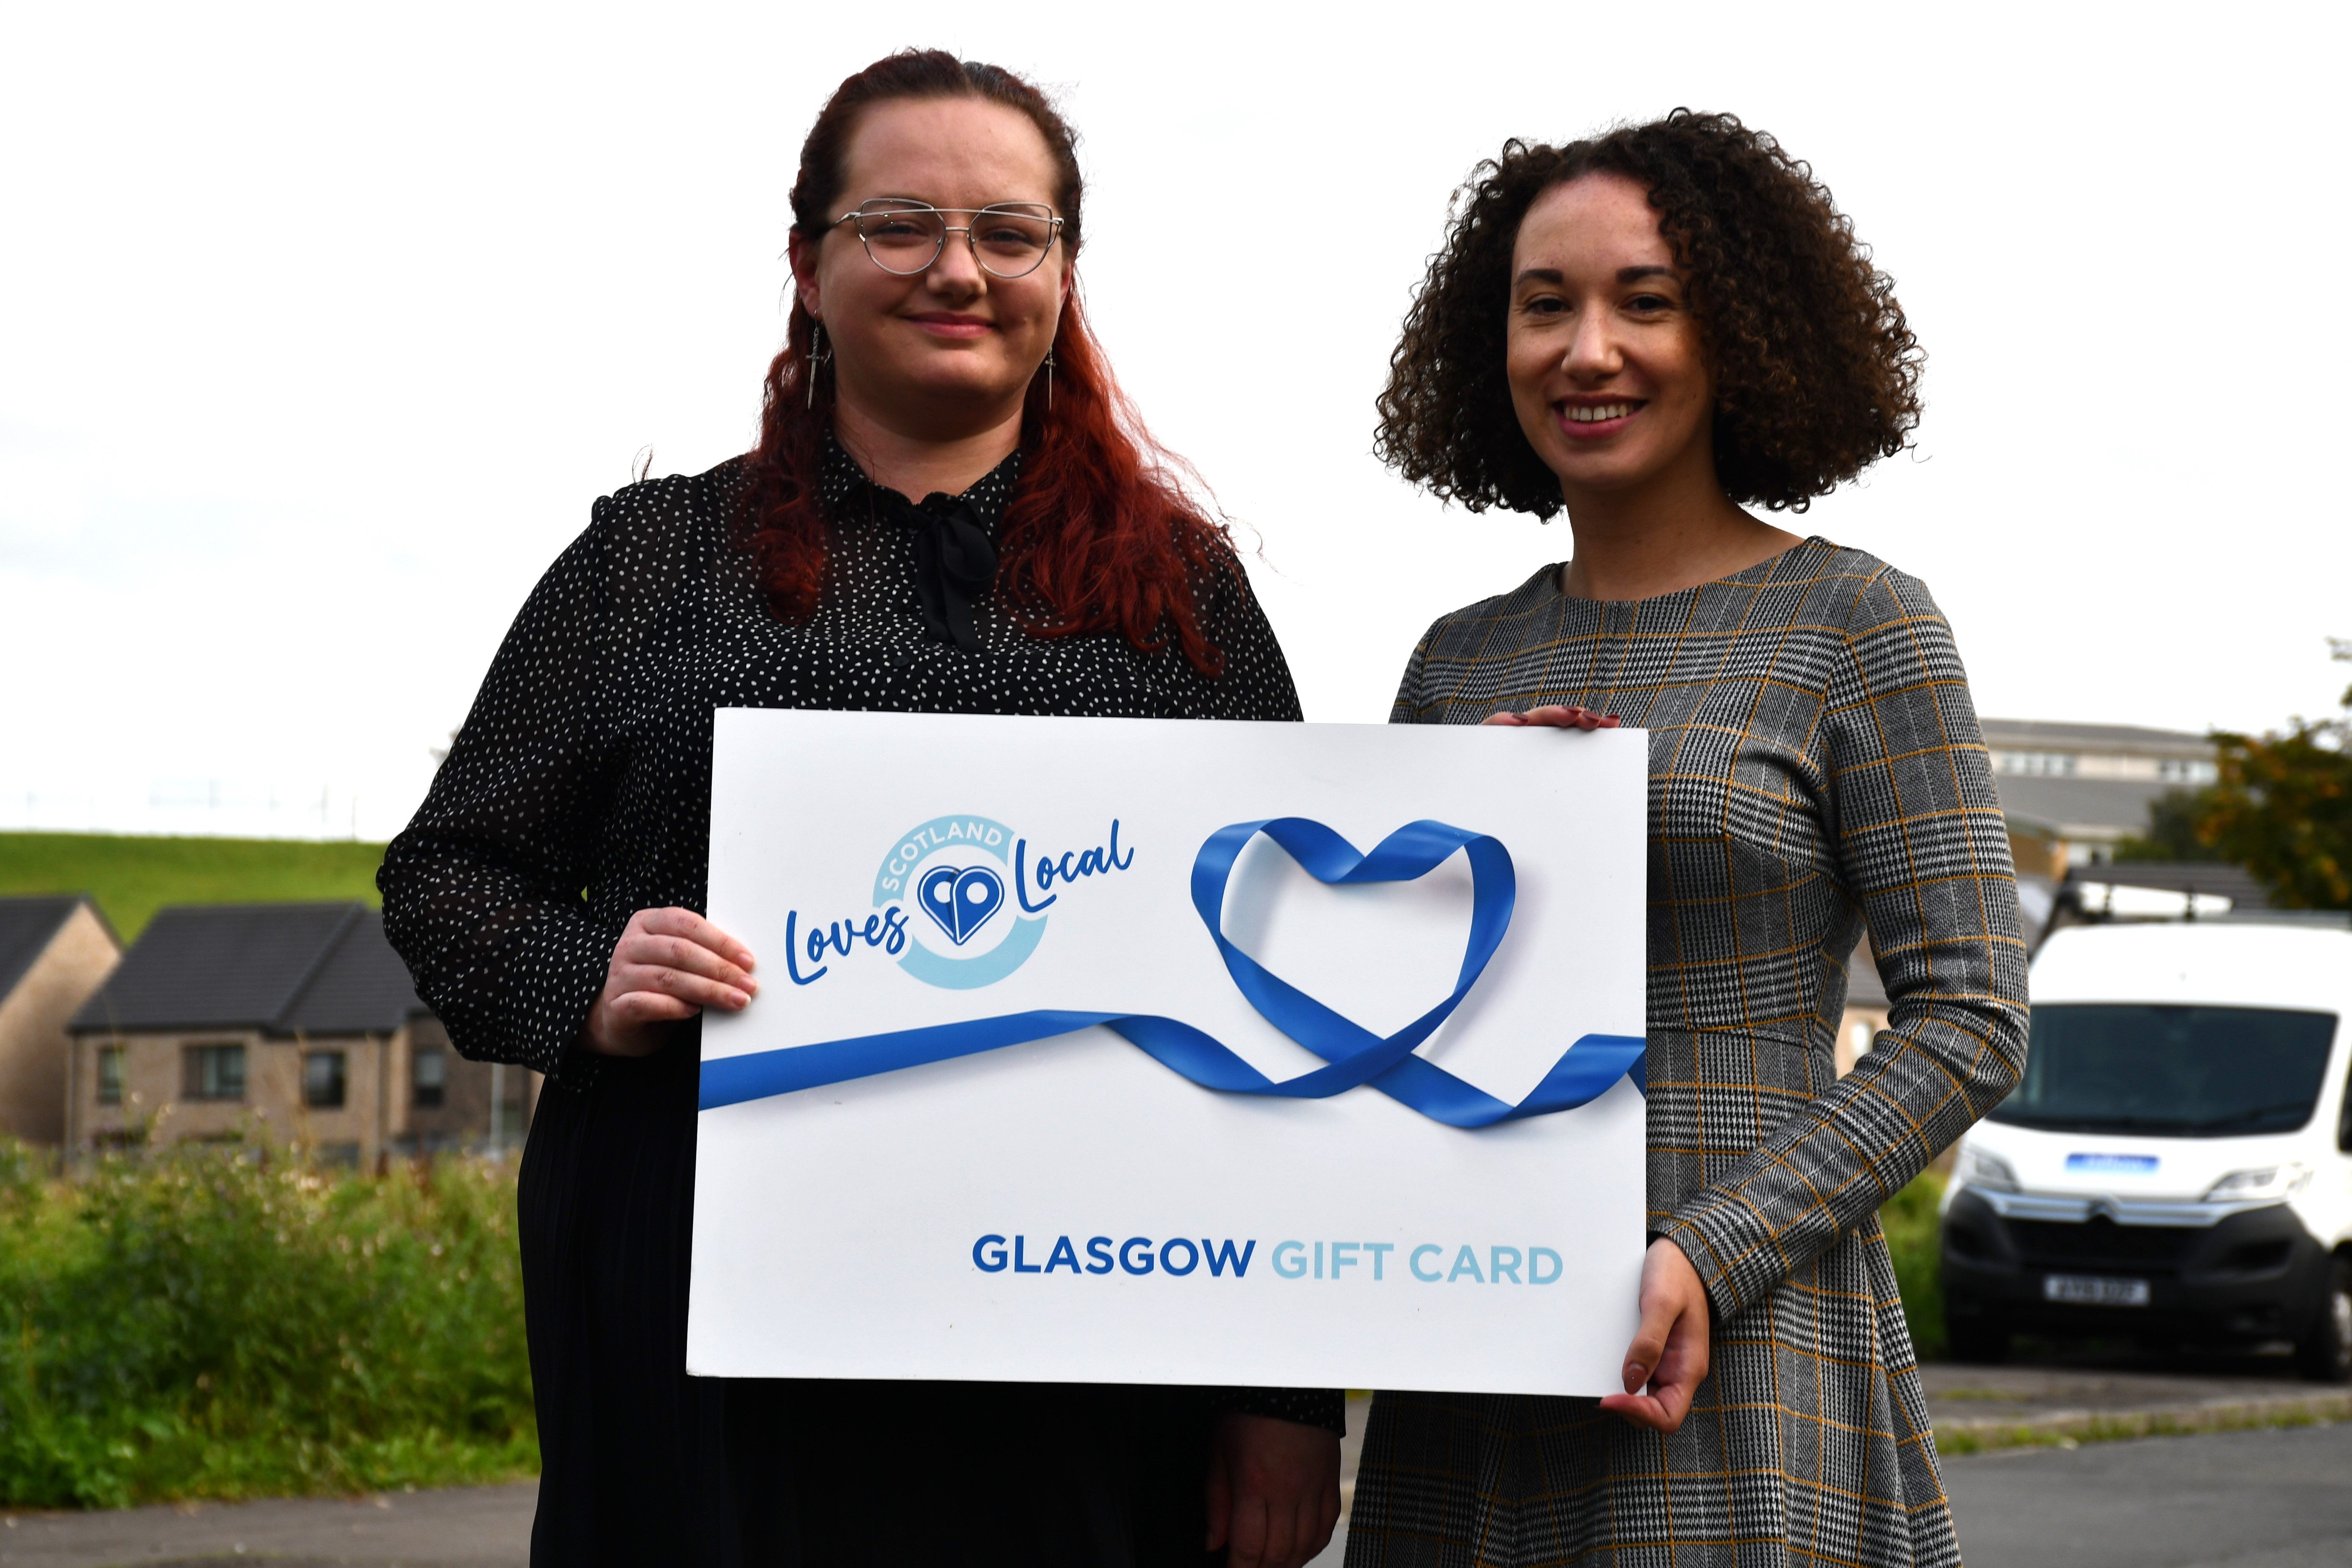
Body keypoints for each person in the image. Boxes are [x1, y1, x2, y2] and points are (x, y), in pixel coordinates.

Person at [379, 49, 1341, 1568]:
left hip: (1100, 1299)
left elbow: (1286, 971)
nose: (958, 270)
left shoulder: (1180, 588)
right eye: (900, 226)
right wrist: (593, 985)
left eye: (1009, 233)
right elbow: (449, 871)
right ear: (808, 263)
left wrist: (1283, 1395)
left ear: (1063, 272)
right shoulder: (652, 559)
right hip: (700, 1288)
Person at [1349, 112, 2030, 1568]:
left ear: (1741, 335)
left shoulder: (1860, 624)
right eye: (1546, 306)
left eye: (1645, 303)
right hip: (1472, 1333)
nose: (1588, 350)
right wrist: (1438, 856)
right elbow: (1378, 1020)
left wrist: (1714, 1249)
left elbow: (1973, 1018)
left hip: (1750, 1335)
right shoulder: (1456, 662)